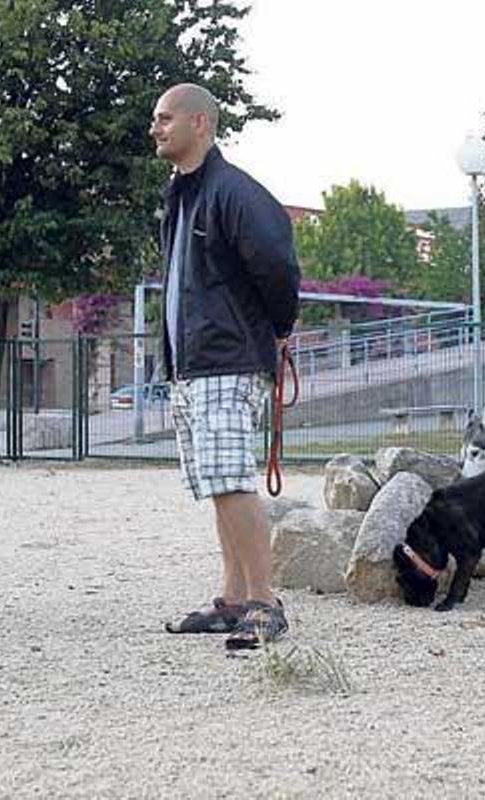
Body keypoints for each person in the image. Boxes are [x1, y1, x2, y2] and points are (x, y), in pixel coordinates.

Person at [151, 83, 301, 650]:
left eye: (166, 119)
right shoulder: (180, 195)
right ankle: (234, 598)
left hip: (226, 361)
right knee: (218, 484)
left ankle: (265, 602)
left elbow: (279, 268)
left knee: (233, 482)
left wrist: (279, 329)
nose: (156, 128)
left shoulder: (235, 193)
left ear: (200, 124)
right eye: (155, 120)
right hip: (190, 366)